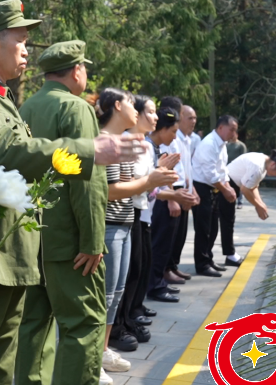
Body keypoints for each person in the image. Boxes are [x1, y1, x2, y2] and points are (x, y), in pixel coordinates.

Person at [0, 0, 143, 385]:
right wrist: (88, 150)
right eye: (21, 40)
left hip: (11, 258)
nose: (27, 50)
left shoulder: (8, 100)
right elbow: (5, 150)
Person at [14, 40, 110, 385]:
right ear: (76, 71)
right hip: (70, 242)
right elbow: (86, 181)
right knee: (82, 327)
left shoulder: (26, 107)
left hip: (31, 237)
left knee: (33, 329)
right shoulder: (75, 109)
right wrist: (92, 240)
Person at [97, 89, 178, 369]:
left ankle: (103, 350)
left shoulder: (121, 143)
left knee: (117, 292)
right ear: (118, 106)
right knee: (107, 293)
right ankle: (95, 356)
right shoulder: (106, 143)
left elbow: (128, 184)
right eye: (134, 105)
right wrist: (151, 180)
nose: (138, 110)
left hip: (125, 220)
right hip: (111, 223)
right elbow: (110, 191)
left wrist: (152, 177)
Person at [146, 107, 197, 302]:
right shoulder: (146, 146)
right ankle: (154, 286)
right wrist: (172, 196)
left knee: (163, 245)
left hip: (160, 198)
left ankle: (156, 284)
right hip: (150, 204)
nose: (175, 137)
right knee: (156, 247)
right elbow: (150, 180)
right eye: (173, 131)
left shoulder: (155, 146)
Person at [191, 115, 239, 273]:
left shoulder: (222, 144)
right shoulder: (209, 143)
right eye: (231, 129)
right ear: (220, 128)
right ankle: (202, 263)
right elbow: (210, 173)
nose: (233, 133)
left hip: (214, 188)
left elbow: (222, 169)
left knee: (213, 227)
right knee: (203, 227)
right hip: (202, 187)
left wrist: (227, 186)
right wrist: (225, 189)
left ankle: (208, 258)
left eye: (235, 130)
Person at [227, 150, 276, 220]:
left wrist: (261, 203)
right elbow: (244, 189)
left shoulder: (264, 165)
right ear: (273, 164)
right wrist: (258, 205)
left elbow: (253, 187)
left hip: (234, 184)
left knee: (229, 217)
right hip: (227, 182)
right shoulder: (258, 166)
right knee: (227, 218)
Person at [226, 136, 248, 209]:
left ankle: (240, 201)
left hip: (239, 168)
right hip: (228, 168)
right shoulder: (227, 145)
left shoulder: (241, 145)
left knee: (240, 185)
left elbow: (244, 156)